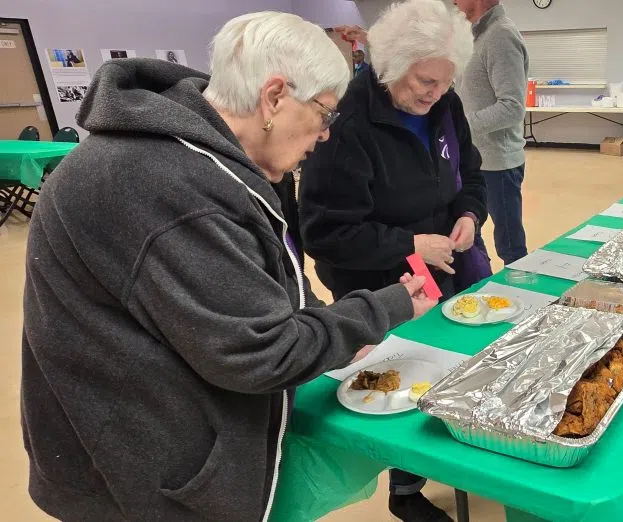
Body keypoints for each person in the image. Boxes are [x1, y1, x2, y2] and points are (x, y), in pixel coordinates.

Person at [20, 12, 436, 521]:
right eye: (325, 114)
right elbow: (259, 353)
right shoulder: (165, 184)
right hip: (135, 474)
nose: (326, 135)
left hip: (145, 439)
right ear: (275, 97)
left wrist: (323, 319)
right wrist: (381, 309)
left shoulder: (213, 155)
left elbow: (270, 274)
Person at [298, 1, 487, 520]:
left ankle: (455, 452)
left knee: (459, 364)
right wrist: (410, 243)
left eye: (444, 82)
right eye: (425, 81)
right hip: (382, 283)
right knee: (402, 384)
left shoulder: (445, 105)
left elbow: (469, 172)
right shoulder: (348, 125)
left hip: (450, 263)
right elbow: (326, 234)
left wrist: (470, 213)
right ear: (391, 67)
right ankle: (405, 491)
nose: (435, 93)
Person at [453, 0, 530, 265]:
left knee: (510, 247)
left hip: (498, 165)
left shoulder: (500, 35)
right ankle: (484, 290)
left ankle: (525, 300)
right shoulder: (474, 36)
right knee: (468, 234)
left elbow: (512, 108)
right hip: (472, 160)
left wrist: (460, 126)